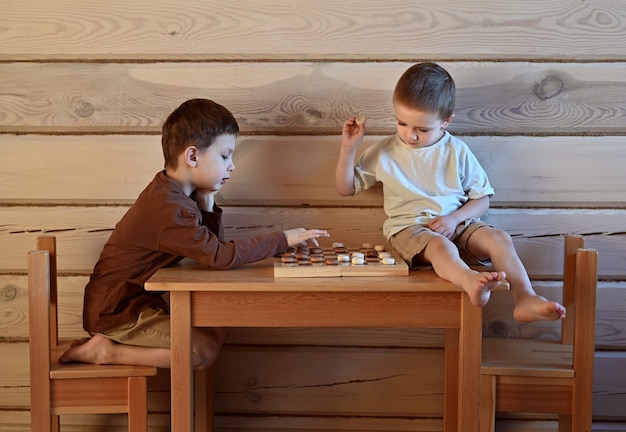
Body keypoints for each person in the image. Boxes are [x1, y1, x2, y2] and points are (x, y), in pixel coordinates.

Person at [60, 98, 329, 369]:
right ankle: (105, 352)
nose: (232, 165)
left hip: (134, 305)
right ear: (191, 156)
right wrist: (281, 239)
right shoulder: (168, 206)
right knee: (202, 351)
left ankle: (110, 347)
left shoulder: (175, 195)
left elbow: (210, 251)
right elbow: (219, 256)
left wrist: (207, 203)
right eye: (224, 156)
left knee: (217, 325)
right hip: (115, 314)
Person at [335, 63, 564, 322]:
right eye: (402, 123)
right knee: (441, 246)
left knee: (499, 238)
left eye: (423, 129)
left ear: (446, 121)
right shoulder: (385, 151)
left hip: (457, 225)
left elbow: (482, 200)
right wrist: (348, 149)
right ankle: (470, 281)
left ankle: (525, 297)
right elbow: (345, 189)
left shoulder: (456, 150)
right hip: (410, 230)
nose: (411, 136)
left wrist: (454, 219)